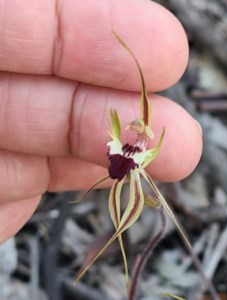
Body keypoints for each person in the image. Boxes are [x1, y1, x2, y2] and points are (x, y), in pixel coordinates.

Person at [0, 0, 202, 244]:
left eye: (142, 134)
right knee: (123, 210)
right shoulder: (126, 155)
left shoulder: (136, 157)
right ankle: (121, 253)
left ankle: (124, 251)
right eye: (135, 130)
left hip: (132, 168)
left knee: (132, 212)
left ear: (151, 144)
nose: (136, 135)